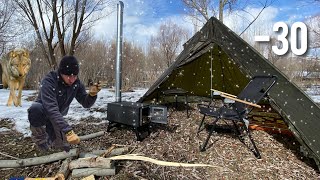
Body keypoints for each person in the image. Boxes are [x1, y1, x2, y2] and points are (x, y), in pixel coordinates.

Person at [27, 55, 102, 151]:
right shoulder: (49, 81)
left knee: (63, 148)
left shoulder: (76, 83)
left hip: (58, 115)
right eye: (68, 76)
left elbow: (85, 103)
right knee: (35, 109)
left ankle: (52, 139)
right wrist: (68, 131)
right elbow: (51, 109)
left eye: (74, 76)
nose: (72, 80)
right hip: (44, 112)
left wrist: (92, 95)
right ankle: (40, 141)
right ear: (61, 73)